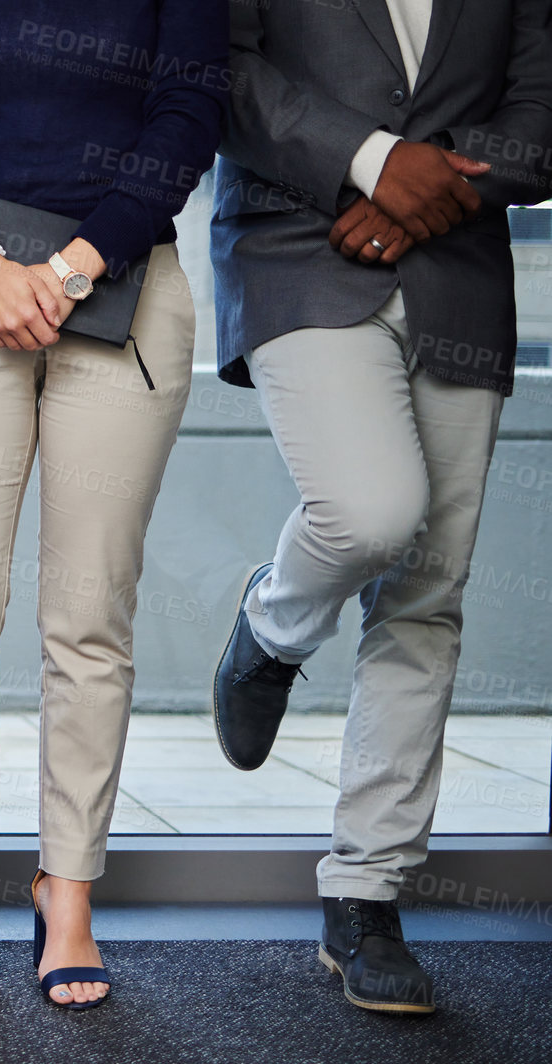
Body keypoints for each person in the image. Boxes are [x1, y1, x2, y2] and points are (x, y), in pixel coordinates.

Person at [0, 0, 227, 1016]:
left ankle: (65, 890)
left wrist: (74, 265)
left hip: (124, 296)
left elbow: (188, 114)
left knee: (87, 617)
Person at [211, 0, 552, 1015]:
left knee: (427, 590)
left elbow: (539, 113)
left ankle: (365, 892)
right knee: (369, 511)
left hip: (458, 269)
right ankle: (272, 625)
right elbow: (221, 76)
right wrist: (369, 161)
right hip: (299, 249)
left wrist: (423, 188)